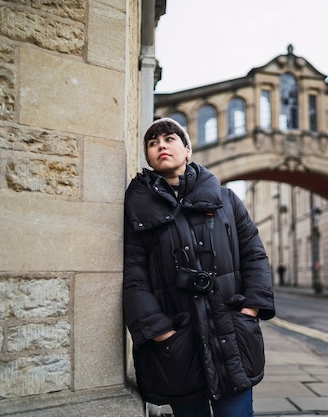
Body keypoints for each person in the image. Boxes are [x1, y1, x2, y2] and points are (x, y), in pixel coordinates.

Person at [123, 118, 276, 417]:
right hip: (177, 343)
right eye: (153, 143)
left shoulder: (226, 200)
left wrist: (251, 309)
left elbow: (254, 254)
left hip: (230, 335)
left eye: (169, 139)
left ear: (188, 150)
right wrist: (160, 331)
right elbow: (134, 274)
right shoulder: (139, 206)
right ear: (149, 157)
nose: (161, 146)